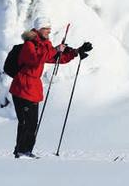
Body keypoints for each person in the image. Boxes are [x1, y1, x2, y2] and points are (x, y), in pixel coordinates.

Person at [8, 16, 92, 158]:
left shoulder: (43, 45)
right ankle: (21, 151)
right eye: (46, 28)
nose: (49, 31)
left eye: (49, 28)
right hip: (22, 87)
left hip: (33, 88)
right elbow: (36, 59)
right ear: (39, 29)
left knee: (32, 123)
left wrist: (76, 52)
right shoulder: (29, 45)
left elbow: (55, 58)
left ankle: (26, 151)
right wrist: (56, 49)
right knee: (26, 122)